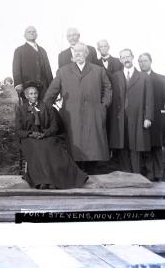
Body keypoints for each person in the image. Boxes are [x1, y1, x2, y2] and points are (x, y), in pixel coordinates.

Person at [44, 42, 112, 173]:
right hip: (72, 114)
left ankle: (91, 173)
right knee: (74, 146)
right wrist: (45, 109)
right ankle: (76, 174)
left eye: (81, 51)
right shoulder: (63, 71)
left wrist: (103, 105)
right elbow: (52, 92)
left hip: (93, 113)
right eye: (75, 51)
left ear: (86, 54)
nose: (78, 54)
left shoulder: (98, 70)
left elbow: (107, 88)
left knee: (93, 146)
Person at [15, 82, 88, 189]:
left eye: (35, 93)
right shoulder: (21, 110)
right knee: (37, 147)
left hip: (46, 135)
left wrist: (45, 133)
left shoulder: (47, 107)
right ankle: (41, 181)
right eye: (31, 94)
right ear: (26, 96)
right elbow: (18, 130)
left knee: (52, 147)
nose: (34, 96)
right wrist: (30, 133)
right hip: (29, 138)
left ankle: (57, 180)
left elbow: (54, 127)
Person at [109, 49, 154, 176]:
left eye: (128, 56)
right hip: (120, 119)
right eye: (123, 58)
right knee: (122, 147)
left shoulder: (144, 77)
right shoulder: (115, 77)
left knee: (136, 148)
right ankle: (126, 177)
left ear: (132, 57)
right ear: (120, 60)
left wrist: (148, 117)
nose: (126, 59)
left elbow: (149, 98)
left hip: (138, 118)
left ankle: (137, 177)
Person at [138, 52, 165, 181]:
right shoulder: (136, 78)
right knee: (145, 147)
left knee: (157, 147)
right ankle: (149, 174)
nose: (143, 63)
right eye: (140, 61)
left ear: (151, 61)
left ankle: (159, 175)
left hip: (157, 119)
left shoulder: (161, 79)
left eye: (145, 60)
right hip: (141, 119)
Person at [12, 26, 53, 100]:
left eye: (34, 32)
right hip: (28, 87)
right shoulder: (19, 50)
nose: (32, 33)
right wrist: (18, 84)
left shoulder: (42, 50)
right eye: (29, 32)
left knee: (44, 109)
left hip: (44, 88)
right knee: (29, 110)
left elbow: (48, 70)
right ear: (24, 35)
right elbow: (16, 68)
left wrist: (52, 86)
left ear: (36, 34)